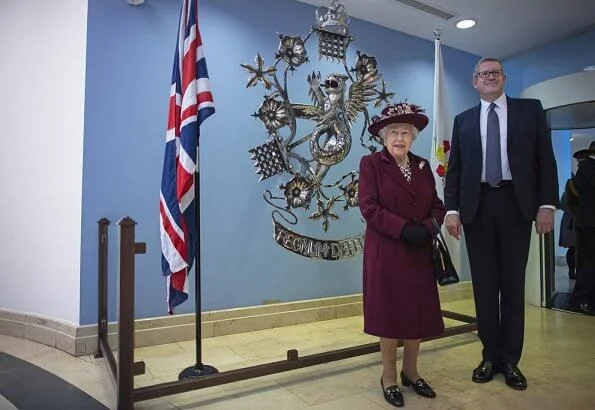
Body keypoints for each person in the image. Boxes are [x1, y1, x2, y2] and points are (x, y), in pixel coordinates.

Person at [444, 57, 559, 391]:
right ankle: (489, 356)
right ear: (474, 82)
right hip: (476, 208)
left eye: (495, 72)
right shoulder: (463, 120)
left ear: (504, 78)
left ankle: (511, 361)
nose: (490, 77)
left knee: (511, 286)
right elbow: (456, 169)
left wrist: (547, 205)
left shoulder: (530, 110)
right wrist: (451, 210)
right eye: (483, 74)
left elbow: (546, 160)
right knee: (483, 287)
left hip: (516, 205)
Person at [359, 102, 446, 407]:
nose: (399, 137)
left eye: (405, 133)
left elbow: (437, 205)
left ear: (413, 137)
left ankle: (411, 371)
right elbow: (368, 207)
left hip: (419, 250)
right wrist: (402, 229)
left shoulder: (423, 166)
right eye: (394, 132)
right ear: (384, 137)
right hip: (387, 251)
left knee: (417, 312)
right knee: (390, 315)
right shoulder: (371, 164)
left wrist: (427, 227)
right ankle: (389, 376)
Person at [570, 141, 595, 315]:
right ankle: (580, 299)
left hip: (587, 222)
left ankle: (587, 298)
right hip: (590, 223)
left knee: (588, 262)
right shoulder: (589, 167)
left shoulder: (585, 167)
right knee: (588, 263)